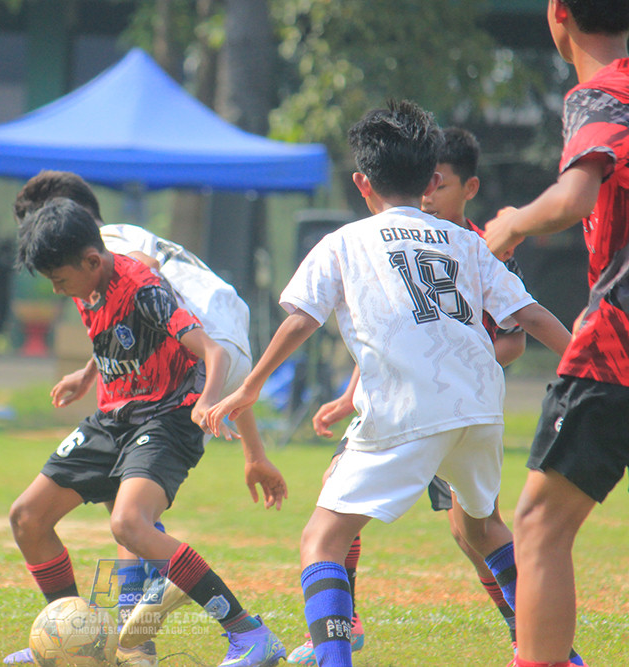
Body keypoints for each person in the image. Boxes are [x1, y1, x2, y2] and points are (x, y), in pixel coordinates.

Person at [206, 100, 572, 667]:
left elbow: (302, 319)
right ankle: (561, 658)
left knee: (322, 540)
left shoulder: (344, 241)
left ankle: (333, 659)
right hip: (480, 406)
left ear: (362, 182)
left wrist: (249, 388)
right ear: (430, 182)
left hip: (407, 407)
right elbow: (530, 315)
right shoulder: (466, 242)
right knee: (484, 529)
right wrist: (588, 365)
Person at [11, 171, 287, 666]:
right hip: (116, 414)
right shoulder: (84, 280)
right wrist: (86, 373)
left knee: (129, 523)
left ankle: (248, 633)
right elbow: (117, 328)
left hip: (167, 414)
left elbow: (215, 351)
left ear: (90, 258)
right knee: (27, 517)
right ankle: (78, 637)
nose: (56, 291)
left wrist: (206, 402)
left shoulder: (141, 283)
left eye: (59, 280)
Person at [285, 127, 535, 666]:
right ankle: (347, 619)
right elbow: (393, 331)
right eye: (430, 187)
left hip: (434, 402)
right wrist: (351, 394)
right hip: (447, 403)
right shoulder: (433, 240)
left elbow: (514, 335)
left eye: (442, 187)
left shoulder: (480, 246)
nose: (432, 197)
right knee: (350, 491)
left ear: (464, 187)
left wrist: (456, 367)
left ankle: (529, 640)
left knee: (465, 532)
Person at [482, 2, 629, 665]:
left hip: (618, 345)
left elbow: (573, 198)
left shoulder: (602, 93)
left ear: (558, 13)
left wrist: (511, 223)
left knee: (540, 524)